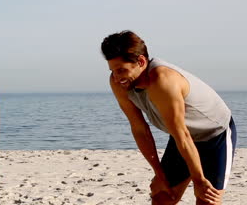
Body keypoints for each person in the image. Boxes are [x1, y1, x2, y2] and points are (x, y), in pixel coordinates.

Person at [101, 30, 237, 205]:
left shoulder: (163, 81)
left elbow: (182, 135)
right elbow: (139, 129)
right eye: (112, 70)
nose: (117, 77)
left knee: (206, 200)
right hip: (183, 138)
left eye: (121, 70)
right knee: (162, 198)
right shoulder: (119, 82)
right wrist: (159, 174)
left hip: (215, 135)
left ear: (141, 61)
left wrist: (198, 180)